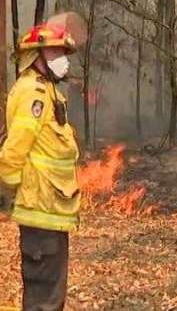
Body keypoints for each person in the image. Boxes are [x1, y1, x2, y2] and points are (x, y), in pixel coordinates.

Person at [0, 22, 80, 311]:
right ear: (37, 55)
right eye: (55, 50)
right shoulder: (32, 93)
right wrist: (7, 193)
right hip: (39, 211)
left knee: (51, 297)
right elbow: (13, 151)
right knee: (43, 301)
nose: (63, 57)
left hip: (50, 211)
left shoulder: (47, 92)